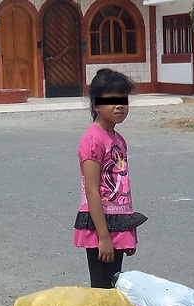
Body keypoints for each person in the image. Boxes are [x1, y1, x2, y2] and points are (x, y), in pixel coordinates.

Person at [73, 68, 148, 289]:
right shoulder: (93, 139)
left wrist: (128, 234)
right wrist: (103, 237)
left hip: (118, 223)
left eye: (123, 100)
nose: (119, 106)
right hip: (101, 226)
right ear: (96, 105)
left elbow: (122, 187)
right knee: (102, 290)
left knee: (115, 286)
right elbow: (92, 190)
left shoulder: (118, 139)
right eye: (111, 100)